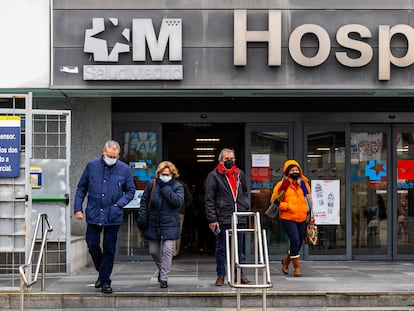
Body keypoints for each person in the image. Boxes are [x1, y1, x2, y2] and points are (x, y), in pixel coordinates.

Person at [74, 140, 136, 294]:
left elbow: (130, 190)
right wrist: (77, 208)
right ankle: (102, 272)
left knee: (109, 248)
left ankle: (105, 282)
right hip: (94, 212)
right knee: (92, 243)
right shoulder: (92, 165)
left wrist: (118, 205)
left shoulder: (124, 169)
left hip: (112, 215)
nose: (112, 159)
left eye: (115, 157)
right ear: (104, 152)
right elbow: (82, 187)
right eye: (109, 156)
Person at [205, 148, 251, 286]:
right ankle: (221, 275)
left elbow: (245, 192)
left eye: (232, 158)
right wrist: (212, 219)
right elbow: (209, 199)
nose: (230, 161)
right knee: (221, 248)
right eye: (227, 159)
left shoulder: (239, 174)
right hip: (223, 217)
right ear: (221, 160)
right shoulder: (213, 176)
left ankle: (240, 274)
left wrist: (245, 205)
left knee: (239, 248)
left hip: (239, 216)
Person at [137, 161, 184, 289]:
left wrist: (165, 188)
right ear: (158, 174)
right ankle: (163, 269)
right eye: (163, 174)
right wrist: (142, 218)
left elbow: (177, 202)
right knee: (153, 251)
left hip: (170, 223)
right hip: (153, 222)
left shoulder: (177, 186)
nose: (165, 176)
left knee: (168, 250)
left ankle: (164, 278)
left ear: (172, 174)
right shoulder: (151, 185)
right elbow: (144, 202)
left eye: (167, 174)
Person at [271, 159, 311, 277]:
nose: (295, 172)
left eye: (296, 169)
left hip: (302, 217)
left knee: (298, 243)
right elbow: (274, 201)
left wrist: (308, 210)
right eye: (292, 170)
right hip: (287, 217)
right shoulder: (282, 185)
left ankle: (286, 260)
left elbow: (309, 199)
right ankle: (297, 268)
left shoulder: (304, 184)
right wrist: (287, 206)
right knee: (295, 240)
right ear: (287, 172)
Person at [173, 179, 193, 258]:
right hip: (180, 211)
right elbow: (190, 198)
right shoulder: (182, 184)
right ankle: (175, 251)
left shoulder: (165, 183)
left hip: (170, 211)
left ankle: (173, 251)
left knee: (170, 230)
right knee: (178, 231)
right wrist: (184, 206)